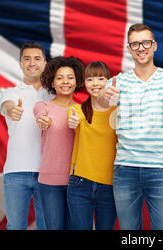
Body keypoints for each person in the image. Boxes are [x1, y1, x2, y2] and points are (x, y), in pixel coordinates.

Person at [101, 23, 163, 230]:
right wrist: (105, 96)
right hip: (126, 169)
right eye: (135, 44)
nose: (141, 48)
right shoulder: (116, 82)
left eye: (146, 42)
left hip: (160, 168)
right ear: (129, 49)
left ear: (154, 46)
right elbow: (103, 102)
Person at [0, 41, 52, 230]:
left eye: (37, 58)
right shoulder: (10, 93)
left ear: (45, 63)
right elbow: (7, 105)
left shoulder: (53, 95)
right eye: (27, 59)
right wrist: (12, 109)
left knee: (47, 226)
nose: (32, 63)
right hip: (15, 171)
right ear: (21, 64)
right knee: (15, 226)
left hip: (48, 173)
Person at [33, 56, 85, 229]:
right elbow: (40, 117)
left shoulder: (84, 110)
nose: (65, 82)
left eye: (70, 77)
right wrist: (43, 121)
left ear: (77, 80)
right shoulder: (43, 107)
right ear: (52, 83)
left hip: (77, 183)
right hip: (50, 182)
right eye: (60, 78)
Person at [66, 61, 118, 230]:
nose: (95, 84)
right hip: (80, 183)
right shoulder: (77, 111)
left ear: (109, 81)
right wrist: (72, 122)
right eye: (90, 79)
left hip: (110, 186)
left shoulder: (118, 112)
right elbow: (72, 121)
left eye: (100, 78)